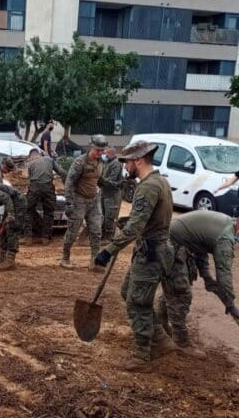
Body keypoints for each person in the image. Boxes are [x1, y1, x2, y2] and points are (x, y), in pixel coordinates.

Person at [94, 140, 174, 372]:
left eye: (127, 161)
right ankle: (160, 338)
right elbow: (147, 219)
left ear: (138, 160)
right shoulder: (159, 181)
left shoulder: (148, 187)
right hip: (151, 250)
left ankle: (141, 355)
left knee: (137, 302)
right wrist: (127, 222)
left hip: (151, 254)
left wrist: (108, 251)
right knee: (128, 291)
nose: (125, 166)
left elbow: (136, 228)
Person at [156, 211, 239, 353]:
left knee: (176, 287)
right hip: (169, 244)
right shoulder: (225, 237)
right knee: (181, 291)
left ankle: (159, 324)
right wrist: (231, 306)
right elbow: (224, 275)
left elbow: (201, 247)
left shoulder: (227, 223)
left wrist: (206, 277)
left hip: (174, 241)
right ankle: (181, 342)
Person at [60, 134, 108, 271]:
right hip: (79, 199)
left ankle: (94, 261)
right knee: (74, 230)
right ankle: (65, 257)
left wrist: (114, 184)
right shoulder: (80, 162)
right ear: (90, 147)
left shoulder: (100, 162)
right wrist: (69, 202)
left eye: (102, 150)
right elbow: (69, 182)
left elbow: (98, 180)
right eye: (97, 150)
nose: (100, 153)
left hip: (94, 200)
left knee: (96, 230)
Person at [26, 148, 67, 244]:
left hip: (34, 187)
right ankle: (45, 238)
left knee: (29, 211)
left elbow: (31, 179)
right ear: (40, 154)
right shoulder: (49, 159)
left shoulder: (30, 164)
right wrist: (67, 184)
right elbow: (61, 171)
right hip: (48, 187)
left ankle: (28, 238)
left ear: (31, 156)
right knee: (48, 212)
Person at [99, 147, 124, 242]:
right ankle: (102, 235)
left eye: (105, 154)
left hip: (112, 194)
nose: (103, 156)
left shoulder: (116, 164)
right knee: (102, 215)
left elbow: (111, 180)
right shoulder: (107, 162)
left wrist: (101, 180)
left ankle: (108, 237)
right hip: (104, 192)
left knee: (109, 216)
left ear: (111, 154)